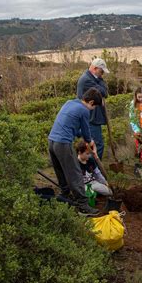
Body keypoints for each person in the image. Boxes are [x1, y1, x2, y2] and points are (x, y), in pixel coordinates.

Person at [48, 87, 103, 216]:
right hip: (63, 143)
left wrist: (86, 138)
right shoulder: (84, 110)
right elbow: (85, 131)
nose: (93, 109)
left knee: (61, 171)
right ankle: (83, 206)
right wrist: (90, 142)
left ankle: (65, 197)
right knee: (75, 174)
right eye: (94, 107)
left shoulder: (70, 103)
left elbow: (73, 128)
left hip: (51, 141)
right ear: (90, 103)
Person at [76, 58, 109, 160]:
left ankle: (89, 168)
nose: (102, 74)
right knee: (97, 145)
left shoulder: (93, 78)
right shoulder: (87, 80)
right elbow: (103, 92)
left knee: (92, 144)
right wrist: (100, 82)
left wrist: (99, 81)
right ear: (94, 68)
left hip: (92, 117)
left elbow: (105, 90)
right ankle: (94, 169)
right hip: (90, 118)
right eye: (101, 71)